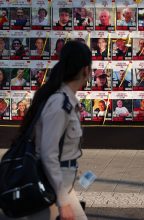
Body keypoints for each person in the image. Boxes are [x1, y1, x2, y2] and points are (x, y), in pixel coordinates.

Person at [18, 40, 91, 219]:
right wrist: (62, 201)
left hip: (62, 185)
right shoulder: (59, 103)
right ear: (86, 70)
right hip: (52, 186)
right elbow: (48, 154)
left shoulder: (66, 100)